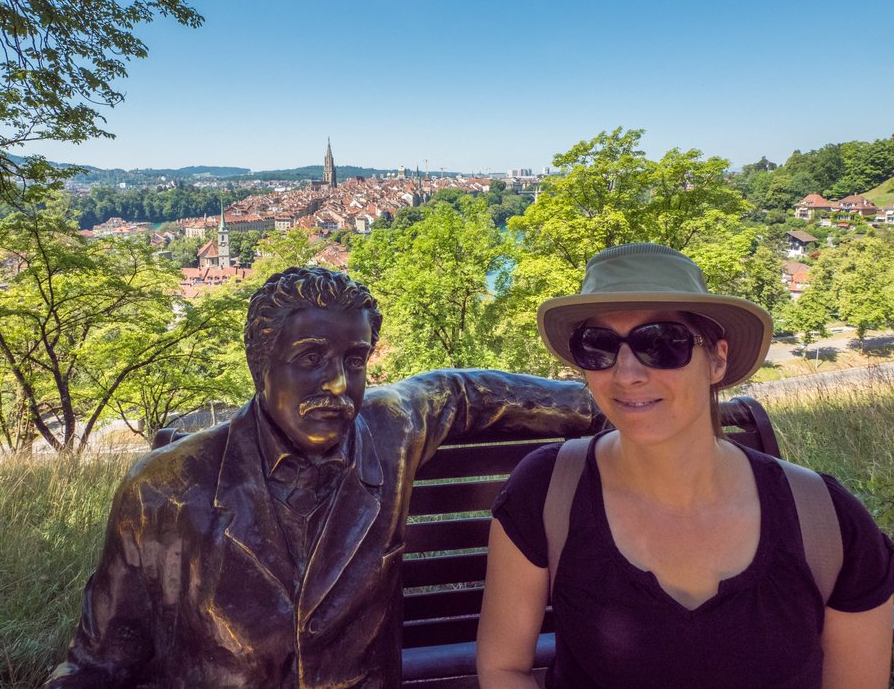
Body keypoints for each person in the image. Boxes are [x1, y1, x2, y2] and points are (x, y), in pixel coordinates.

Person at [44, 266, 596, 688]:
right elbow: (101, 661)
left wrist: (628, 403)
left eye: (354, 361)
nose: (337, 384)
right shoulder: (165, 487)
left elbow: (462, 391)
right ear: (261, 364)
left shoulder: (389, 429)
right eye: (310, 358)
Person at [476, 243, 894, 689]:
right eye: (598, 345)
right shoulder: (547, 492)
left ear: (717, 358)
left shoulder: (828, 523)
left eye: (662, 343)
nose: (626, 374)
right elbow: (505, 668)